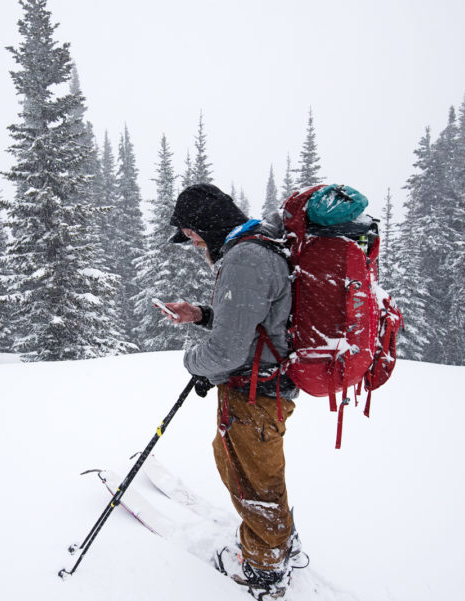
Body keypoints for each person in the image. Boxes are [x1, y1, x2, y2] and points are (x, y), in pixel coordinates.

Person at [159, 182, 303, 598]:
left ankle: (263, 568)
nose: (193, 242)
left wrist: (193, 362)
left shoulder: (245, 258)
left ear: (206, 224)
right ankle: (276, 540)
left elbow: (224, 352)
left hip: (256, 393)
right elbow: (256, 319)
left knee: (253, 478)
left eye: (190, 233)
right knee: (244, 466)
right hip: (259, 386)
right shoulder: (257, 248)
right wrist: (203, 314)